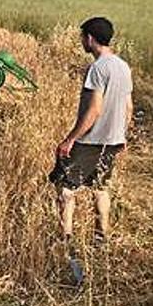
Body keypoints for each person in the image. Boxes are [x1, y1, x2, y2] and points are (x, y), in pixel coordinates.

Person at [50, 17, 133, 245]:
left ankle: (65, 239)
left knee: (66, 188)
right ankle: (101, 237)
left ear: (89, 38)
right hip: (113, 140)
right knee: (100, 187)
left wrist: (70, 139)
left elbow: (94, 109)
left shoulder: (97, 68)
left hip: (91, 140)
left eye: (82, 37)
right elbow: (129, 107)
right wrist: (122, 135)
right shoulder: (123, 67)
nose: (81, 41)